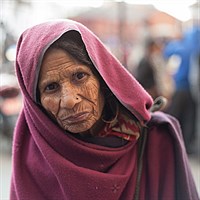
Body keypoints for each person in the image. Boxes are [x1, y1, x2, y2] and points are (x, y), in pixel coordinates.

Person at [10, 19, 199, 200]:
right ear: (35, 101)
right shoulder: (31, 160)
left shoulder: (158, 140)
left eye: (80, 76)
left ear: (102, 78)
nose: (69, 100)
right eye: (50, 87)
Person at [163, 26, 200, 154]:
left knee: (174, 116)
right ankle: (186, 146)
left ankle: (169, 143)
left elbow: (166, 54)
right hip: (191, 89)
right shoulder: (193, 47)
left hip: (179, 87)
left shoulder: (178, 47)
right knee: (189, 118)